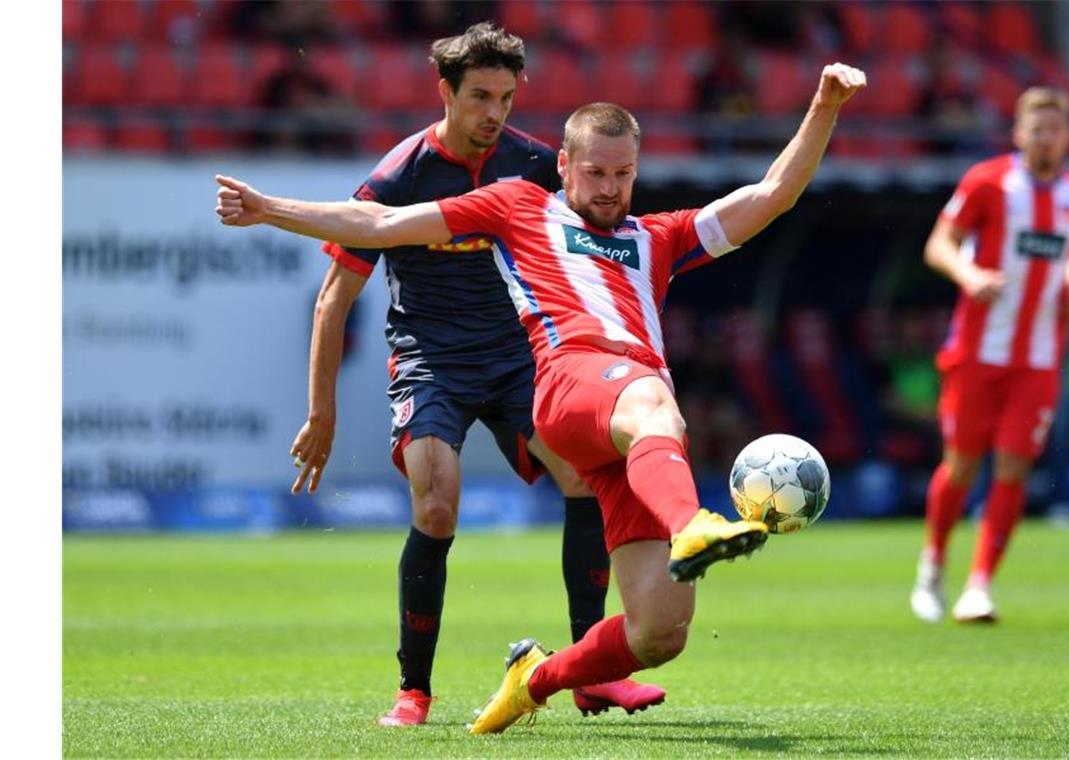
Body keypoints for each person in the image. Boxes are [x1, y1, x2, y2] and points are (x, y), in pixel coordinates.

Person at [214, 61, 867, 733]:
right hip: (569, 385)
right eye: (596, 174)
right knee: (651, 400)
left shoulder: (658, 236)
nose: (611, 190)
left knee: (659, 631)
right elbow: (378, 224)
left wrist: (823, 105)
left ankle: (536, 678)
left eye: (623, 175)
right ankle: (689, 524)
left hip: (630, 432)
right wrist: (269, 210)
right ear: (564, 165)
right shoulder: (519, 207)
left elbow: (773, 194)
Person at [289, 23, 663, 726]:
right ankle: (414, 691)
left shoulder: (534, 165)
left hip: (521, 355)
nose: (495, 112)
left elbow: (598, 245)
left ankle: (591, 670)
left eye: (506, 96)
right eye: (481, 96)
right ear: (446, 94)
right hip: (432, 359)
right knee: (437, 502)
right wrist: (323, 412)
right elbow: (334, 298)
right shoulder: (399, 177)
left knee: (582, 475)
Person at [909, 86, 1069, 624]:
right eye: (1037, 130)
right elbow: (940, 243)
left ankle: (979, 585)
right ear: (1019, 134)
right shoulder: (989, 181)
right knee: (961, 464)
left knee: (1013, 465)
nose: (1046, 140)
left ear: (1066, 136)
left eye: (1055, 130)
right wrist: (970, 273)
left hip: (1040, 358)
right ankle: (933, 565)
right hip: (977, 353)